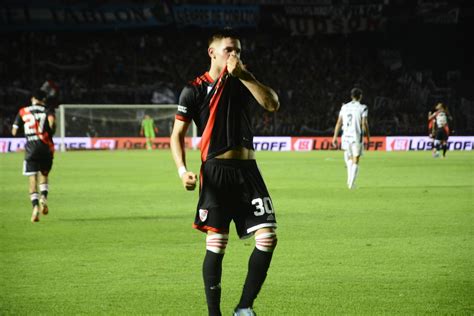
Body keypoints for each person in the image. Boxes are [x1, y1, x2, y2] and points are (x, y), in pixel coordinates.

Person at [170, 31, 280, 316]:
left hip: (248, 170)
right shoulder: (193, 90)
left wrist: (244, 75)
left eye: (239, 51)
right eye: (230, 50)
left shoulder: (243, 81)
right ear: (212, 53)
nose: (235, 55)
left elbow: (272, 104)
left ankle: (244, 307)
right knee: (217, 244)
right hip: (216, 171)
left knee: (267, 237)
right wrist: (183, 171)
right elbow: (176, 135)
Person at [11, 90, 55, 223]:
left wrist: (28, 132)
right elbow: (52, 124)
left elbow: (13, 131)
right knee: (44, 175)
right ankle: (44, 198)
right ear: (43, 99)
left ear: (33, 98)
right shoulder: (47, 110)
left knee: (32, 178)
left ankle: (35, 207)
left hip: (31, 149)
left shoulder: (23, 111)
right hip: (45, 147)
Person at [332, 88, 370, 189]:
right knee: (355, 159)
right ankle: (351, 184)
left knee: (349, 158)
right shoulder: (363, 108)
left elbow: (339, 122)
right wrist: (368, 137)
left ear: (351, 96)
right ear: (360, 96)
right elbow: (364, 123)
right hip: (356, 136)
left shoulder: (344, 107)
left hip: (345, 136)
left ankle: (349, 180)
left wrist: (334, 137)